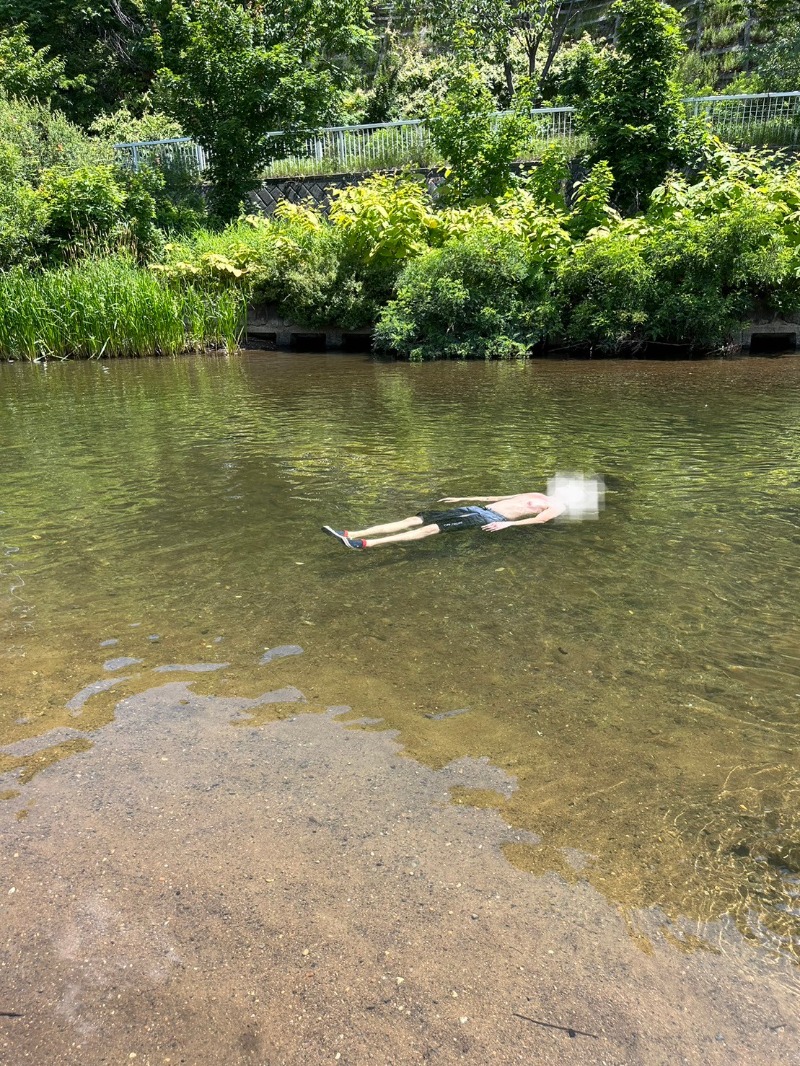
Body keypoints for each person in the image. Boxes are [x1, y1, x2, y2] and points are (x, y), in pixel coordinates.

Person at [322, 491, 567, 550]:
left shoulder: (557, 505)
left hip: (491, 517)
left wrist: (508, 524)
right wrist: (460, 498)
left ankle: (365, 544)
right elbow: (495, 496)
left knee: (430, 529)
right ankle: (351, 533)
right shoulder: (537, 493)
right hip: (476, 507)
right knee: (414, 519)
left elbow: (540, 521)